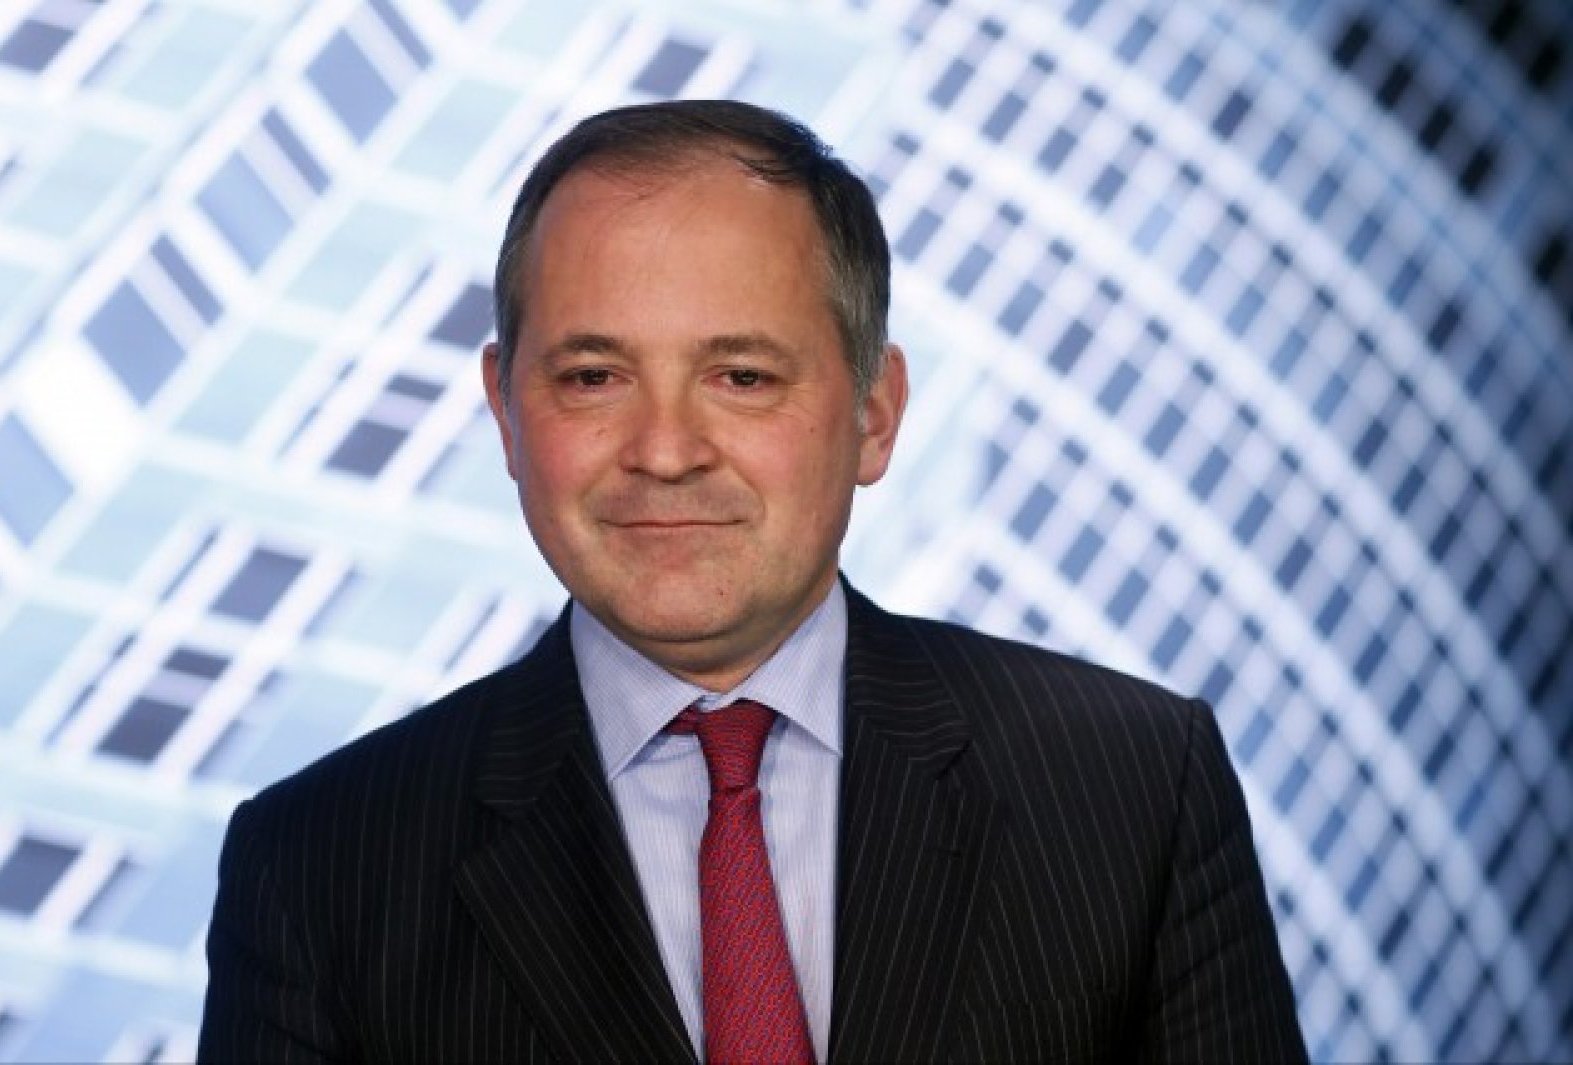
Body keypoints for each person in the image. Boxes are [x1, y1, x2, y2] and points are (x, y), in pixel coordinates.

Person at [198, 99, 1306, 1063]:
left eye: (741, 375)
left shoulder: (1131, 786)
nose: (665, 450)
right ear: (505, 411)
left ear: (874, 413)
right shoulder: (318, 870)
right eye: (593, 377)